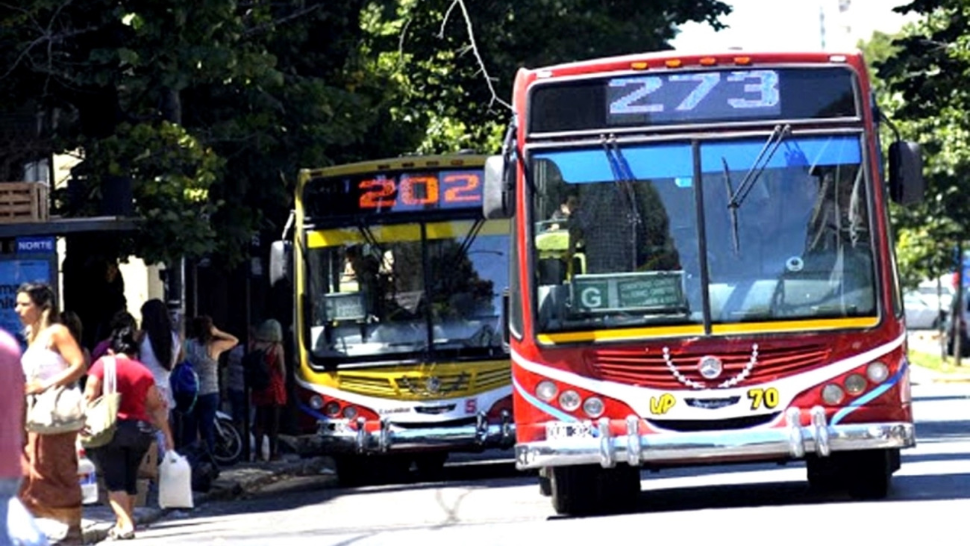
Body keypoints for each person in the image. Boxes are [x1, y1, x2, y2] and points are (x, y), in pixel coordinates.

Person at [83, 325, 174, 541]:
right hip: (140, 432)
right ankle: (123, 523)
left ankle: (126, 525)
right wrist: (168, 435)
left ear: (111, 350)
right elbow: (155, 406)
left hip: (112, 429)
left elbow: (88, 395)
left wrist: (81, 420)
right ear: (135, 352)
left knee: (115, 481)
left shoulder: (102, 365)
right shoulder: (143, 371)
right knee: (130, 479)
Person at [15, 283, 87, 545]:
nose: (18, 309)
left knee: (57, 469)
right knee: (35, 471)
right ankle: (47, 529)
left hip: (54, 414)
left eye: (24, 304)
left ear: (41, 306)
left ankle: (71, 531)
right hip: (33, 415)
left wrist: (44, 385)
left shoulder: (57, 332)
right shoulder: (32, 335)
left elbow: (79, 365)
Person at [182, 316, 238, 454]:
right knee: (207, 429)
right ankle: (209, 459)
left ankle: (190, 461)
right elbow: (234, 340)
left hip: (190, 392)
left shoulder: (187, 345)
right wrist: (218, 332)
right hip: (209, 391)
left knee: (189, 429)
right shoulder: (213, 346)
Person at [250, 319, 287, 462]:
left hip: (259, 387)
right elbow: (281, 369)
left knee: (260, 421)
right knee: (274, 423)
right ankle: (273, 452)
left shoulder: (255, 345)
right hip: (273, 386)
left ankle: (258, 453)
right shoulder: (276, 348)